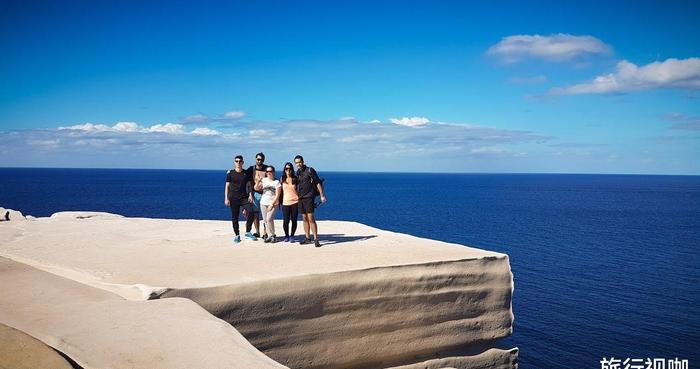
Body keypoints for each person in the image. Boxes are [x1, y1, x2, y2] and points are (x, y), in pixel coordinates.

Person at [294, 155, 327, 247]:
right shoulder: (297, 173)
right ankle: (307, 238)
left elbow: (317, 183)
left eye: (299, 162)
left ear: (303, 161)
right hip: (300, 198)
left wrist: (322, 195)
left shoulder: (310, 170)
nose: (298, 164)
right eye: (296, 163)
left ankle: (316, 239)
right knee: (304, 218)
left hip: (309, 197)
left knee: (311, 218)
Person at [224, 155, 257, 243]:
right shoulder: (230, 173)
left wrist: (250, 195)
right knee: (235, 217)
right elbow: (227, 186)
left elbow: (249, 185)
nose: (238, 162)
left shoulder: (246, 173)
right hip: (233, 198)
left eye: (240, 161)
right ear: (234, 162)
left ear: (242, 162)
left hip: (244, 198)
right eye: (237, 161)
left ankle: (247, 232)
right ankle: (237, 235)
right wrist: (226, 198)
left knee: (251, 212)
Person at [255, 165, 281, 243]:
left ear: (274, 172)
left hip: (273, 203)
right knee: (266, 220)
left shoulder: (277, 182)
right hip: (263, 202)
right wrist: (258, 181)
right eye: (267, 171)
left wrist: (271, 204)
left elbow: (277, 195)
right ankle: (270, 235)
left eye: (270, 171)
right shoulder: (264, 180)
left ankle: (272, 235)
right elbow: (256, 188)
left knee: (269, 218)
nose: (269, 173)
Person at [247, 152, 268, 239]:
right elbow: (244, 176)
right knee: (256, 214)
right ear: (255, 159)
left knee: (265, 215)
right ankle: (257, 232)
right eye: (258, 159)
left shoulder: (267, 169)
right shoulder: (251, 169)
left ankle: (265, 233)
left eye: (261, 160)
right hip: (255, 193)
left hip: (264, 193)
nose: (259, 161)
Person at [279, 162, 299, 242]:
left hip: (295, 202)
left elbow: (299, 190)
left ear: (292, 170)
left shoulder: (295, 179)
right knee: (286, 221)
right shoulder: (282, 179)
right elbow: (279, 191)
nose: (288, 170)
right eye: (286, 169)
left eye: (290, 169)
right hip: (285, 202)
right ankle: (286, 235)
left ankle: (292, 235)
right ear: (284, 170)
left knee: (294, 220)